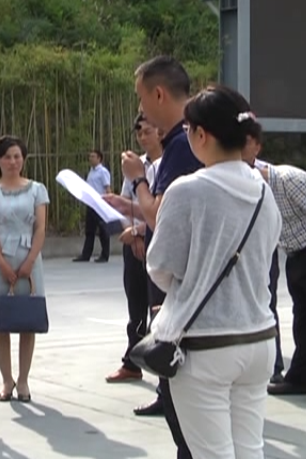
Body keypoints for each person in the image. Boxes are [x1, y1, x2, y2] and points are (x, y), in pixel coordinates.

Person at [146, 85, 281, 458]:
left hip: (205, 346)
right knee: (249, 449)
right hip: (258, 339)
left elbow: (160, 267)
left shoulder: (187, 191)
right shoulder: (263, 191)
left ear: (201, 134)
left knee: (212, 453)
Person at [104, 55, 202, 458]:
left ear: (158, 94)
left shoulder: (180, 144)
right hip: (235, 319)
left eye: (141, 98)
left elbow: (162, 215)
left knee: (193, 433)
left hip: (190, 297)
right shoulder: (204, 142)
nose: (141, 110)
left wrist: (138, 180)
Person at [0, 135, 49, 402]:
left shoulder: (37, 189)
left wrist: (30, 260)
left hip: (30, 255)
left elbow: (40, 228)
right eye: (7, 157)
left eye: (17, 156)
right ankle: (6, 379)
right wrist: (2, 264)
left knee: (28, 318)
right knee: (2, 321)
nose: (13, 161)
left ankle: (24, 380)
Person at [106, 113, 162, 383]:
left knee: (159, 306)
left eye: (147, 131)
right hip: (134, 242)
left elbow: (163, 211)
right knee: (135, 302)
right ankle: (132, 360)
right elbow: (124, 203)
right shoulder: (134, 165)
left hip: (160, 242)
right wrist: (133, 235)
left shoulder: (170, 164)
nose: (142, 137)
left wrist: (140, 231)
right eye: (138, 133)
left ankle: (162, 365)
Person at [252, 161, 306, 396]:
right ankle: (299, 378)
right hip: (295, 256)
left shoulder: (288, 179)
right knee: (302, 319)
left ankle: (299, 378)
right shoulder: (260, 194)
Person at [241, 125, 287, 384]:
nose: (241, 146)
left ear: (257, 146)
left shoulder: (270, 175)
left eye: (246, 141)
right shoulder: (222, 172)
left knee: (266, 303)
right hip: (236, 253)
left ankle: (274, 365)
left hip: (264, 251)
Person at [74, 149, 111, 263]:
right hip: (91, 203)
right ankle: (86, 255)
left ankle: (105, 255)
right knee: (89, 230)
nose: (90, 158)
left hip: (100, 203)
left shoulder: (103, 172)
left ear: (99, 158)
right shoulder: (91, 172)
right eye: (90, 156)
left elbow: (107, 187)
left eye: (93, 156)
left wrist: (109, 202)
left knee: (103, 230)